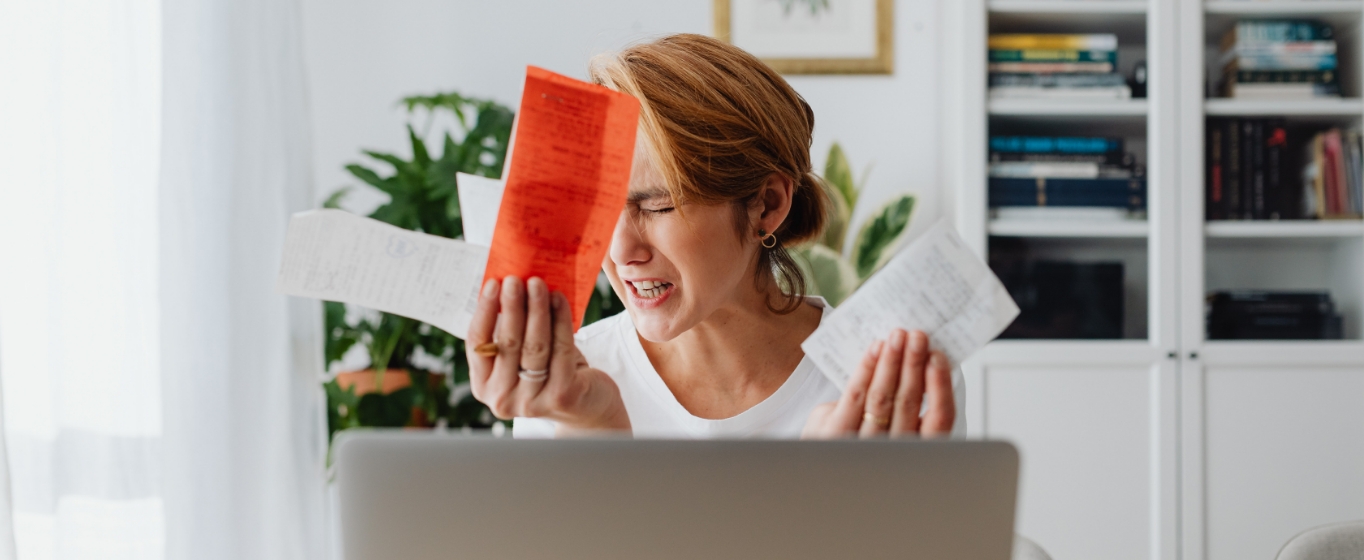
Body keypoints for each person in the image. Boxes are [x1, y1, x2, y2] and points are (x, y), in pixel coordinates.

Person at [466, 33, 963, 439]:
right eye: (600, 210)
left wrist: (833, 496)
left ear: (766, 206)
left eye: (657, 204)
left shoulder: (886, 383)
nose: (619, 252)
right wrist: (596, 431)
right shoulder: (565, 382)